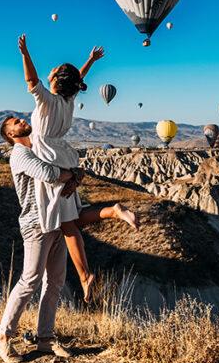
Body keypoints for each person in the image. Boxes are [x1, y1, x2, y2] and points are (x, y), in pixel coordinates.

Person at [18, 35, 139, 303]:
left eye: (53, 72)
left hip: (49, 158)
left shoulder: (47, 101)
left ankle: (85, 276)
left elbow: (30, 81)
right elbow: (76, 79)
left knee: (66, 224)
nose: (49, 72)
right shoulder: (69, 101)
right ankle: (112, 211)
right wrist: (90, 62)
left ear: (55, 81)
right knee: (72, 218)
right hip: (64, 155)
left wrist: (25, 53)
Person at [0, 115, 76, 363]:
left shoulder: (40, 148)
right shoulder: (19, 154)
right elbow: (48, 173)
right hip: (35, 224)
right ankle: (3, 336)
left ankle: (45, 338)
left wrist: (70, 173)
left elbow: (63, 167)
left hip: (57, 220)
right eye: (15, 122)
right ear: (10, 134)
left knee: (56, 281)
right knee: (30, 280)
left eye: (20, 119)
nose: (21, 120)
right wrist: (70, 174)